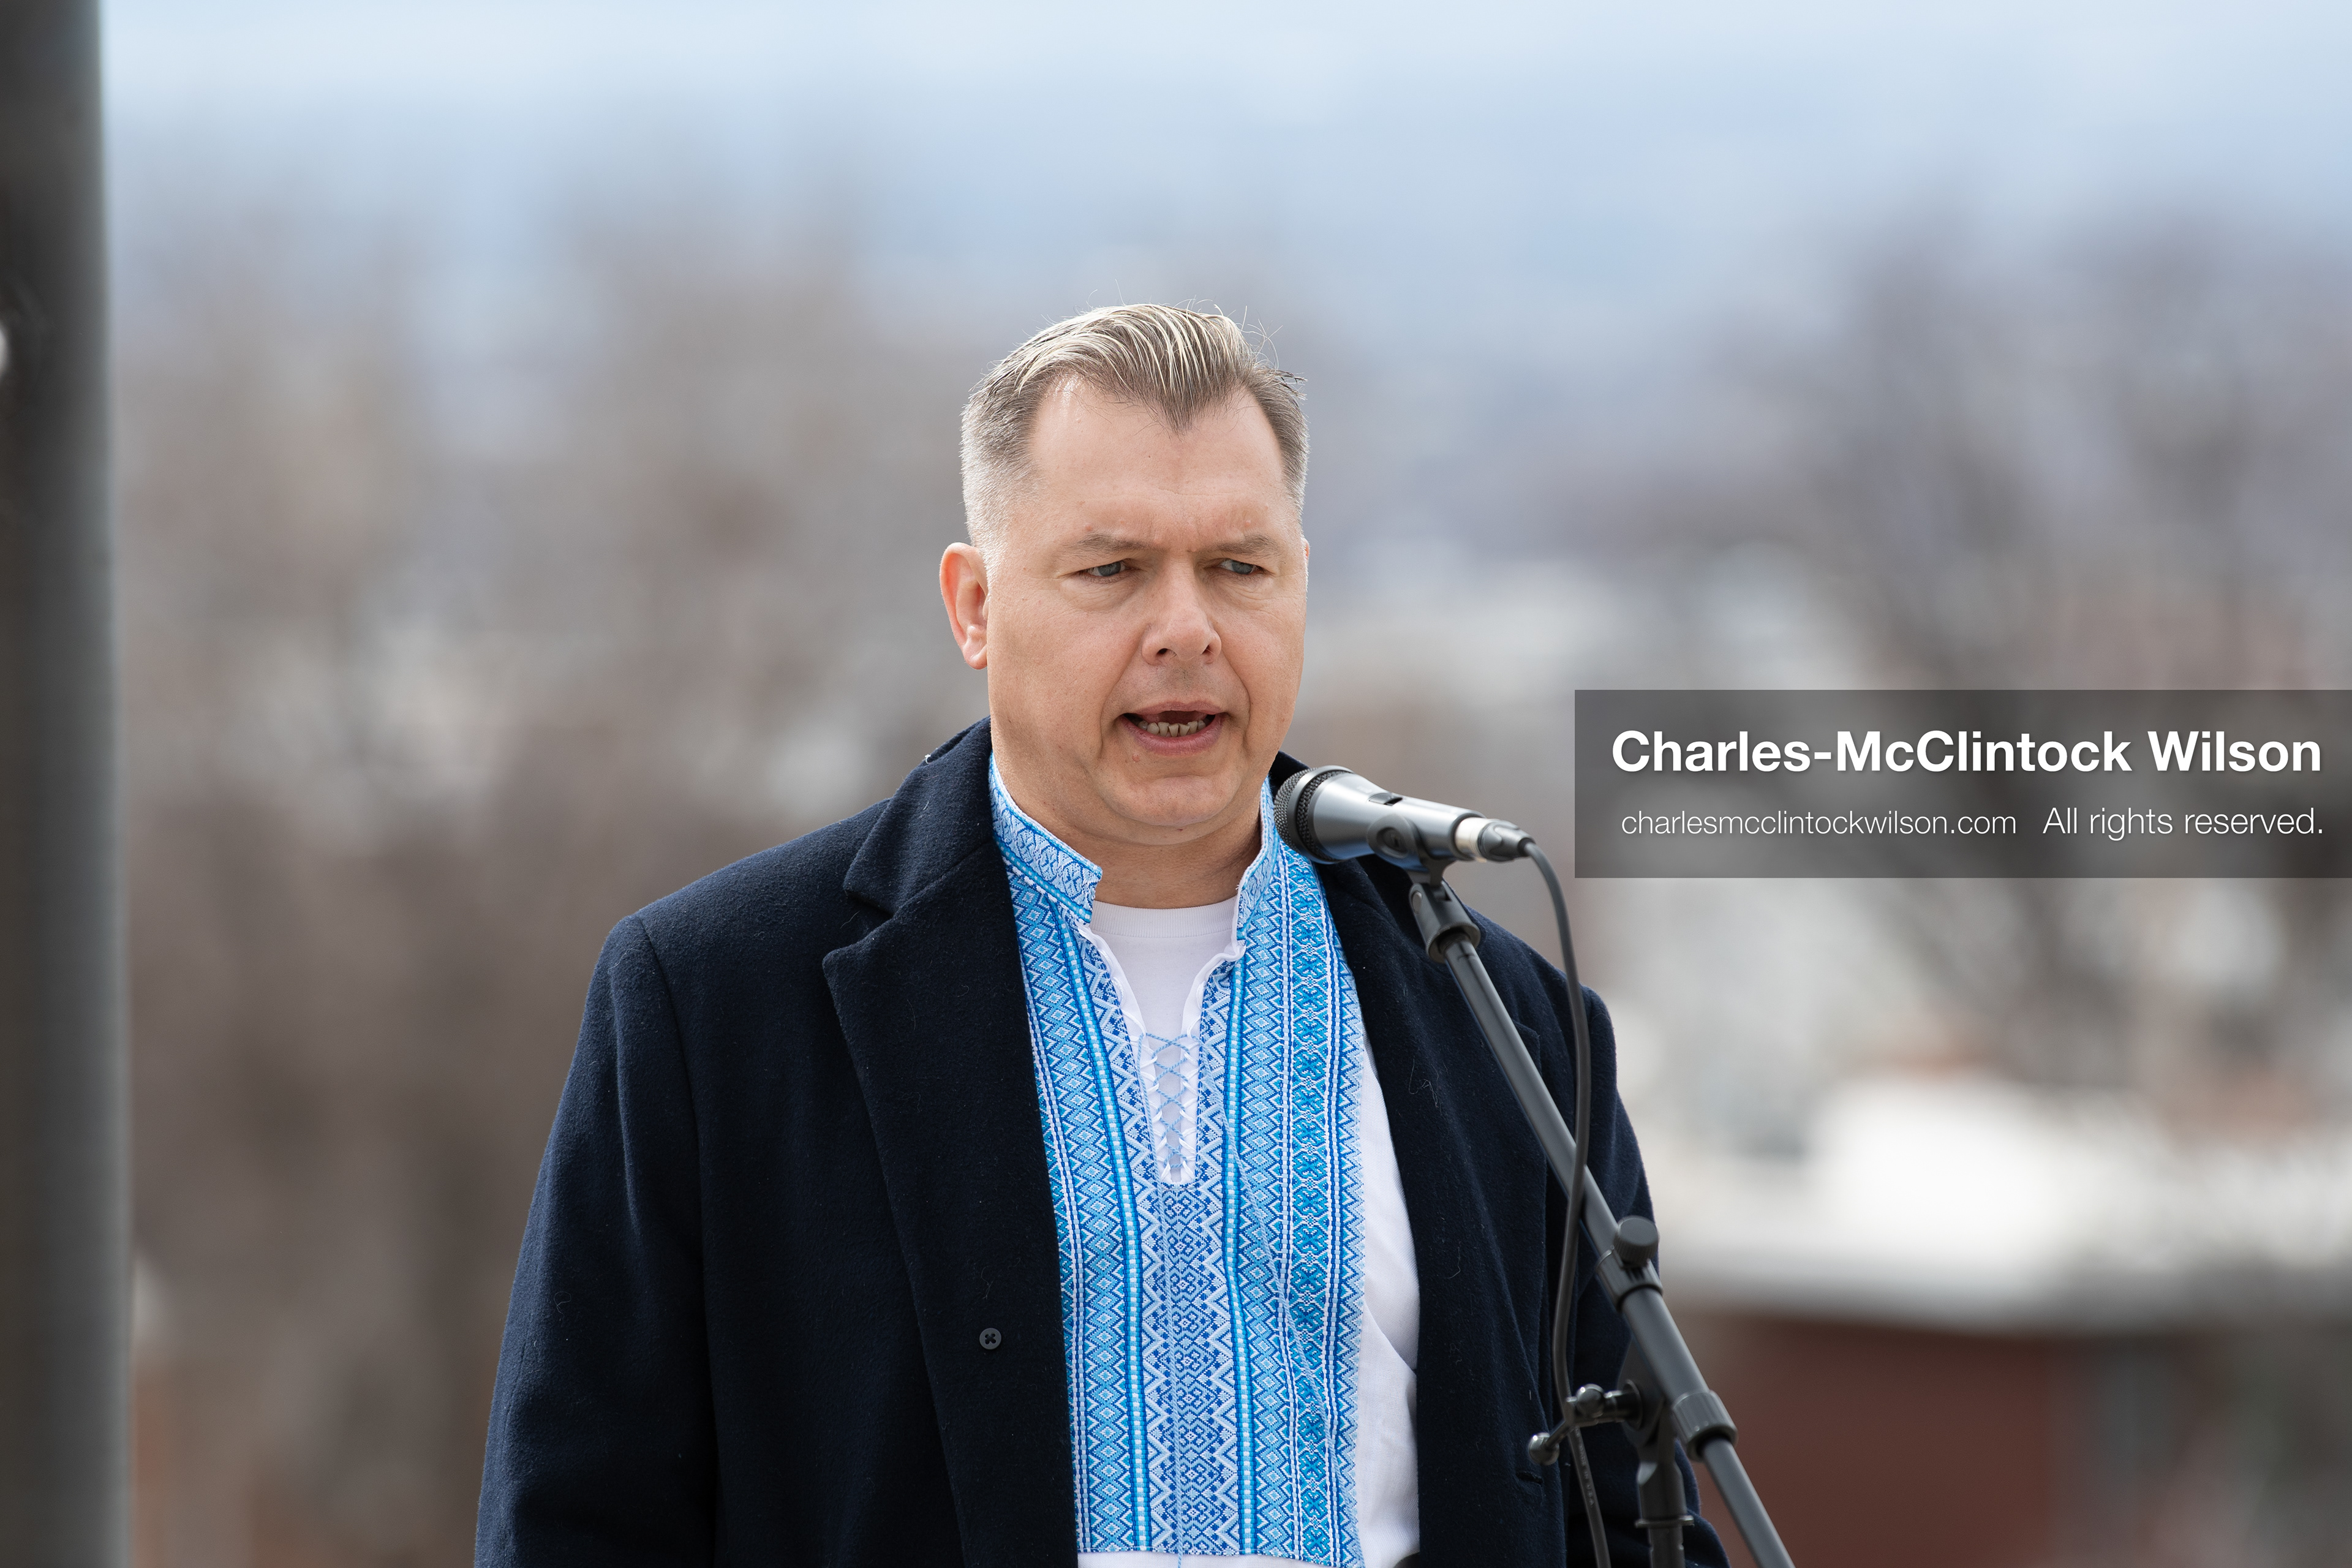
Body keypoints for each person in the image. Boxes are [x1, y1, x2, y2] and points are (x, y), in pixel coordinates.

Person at [476, 304, 1724, 1567]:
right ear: (974, 604)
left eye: (1240, 568)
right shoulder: (714, 1005)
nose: (1186, 628)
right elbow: (580, 1520)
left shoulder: (1511, 1027)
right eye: (1112, 569)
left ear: (1301, 585)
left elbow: (1628, 1522)